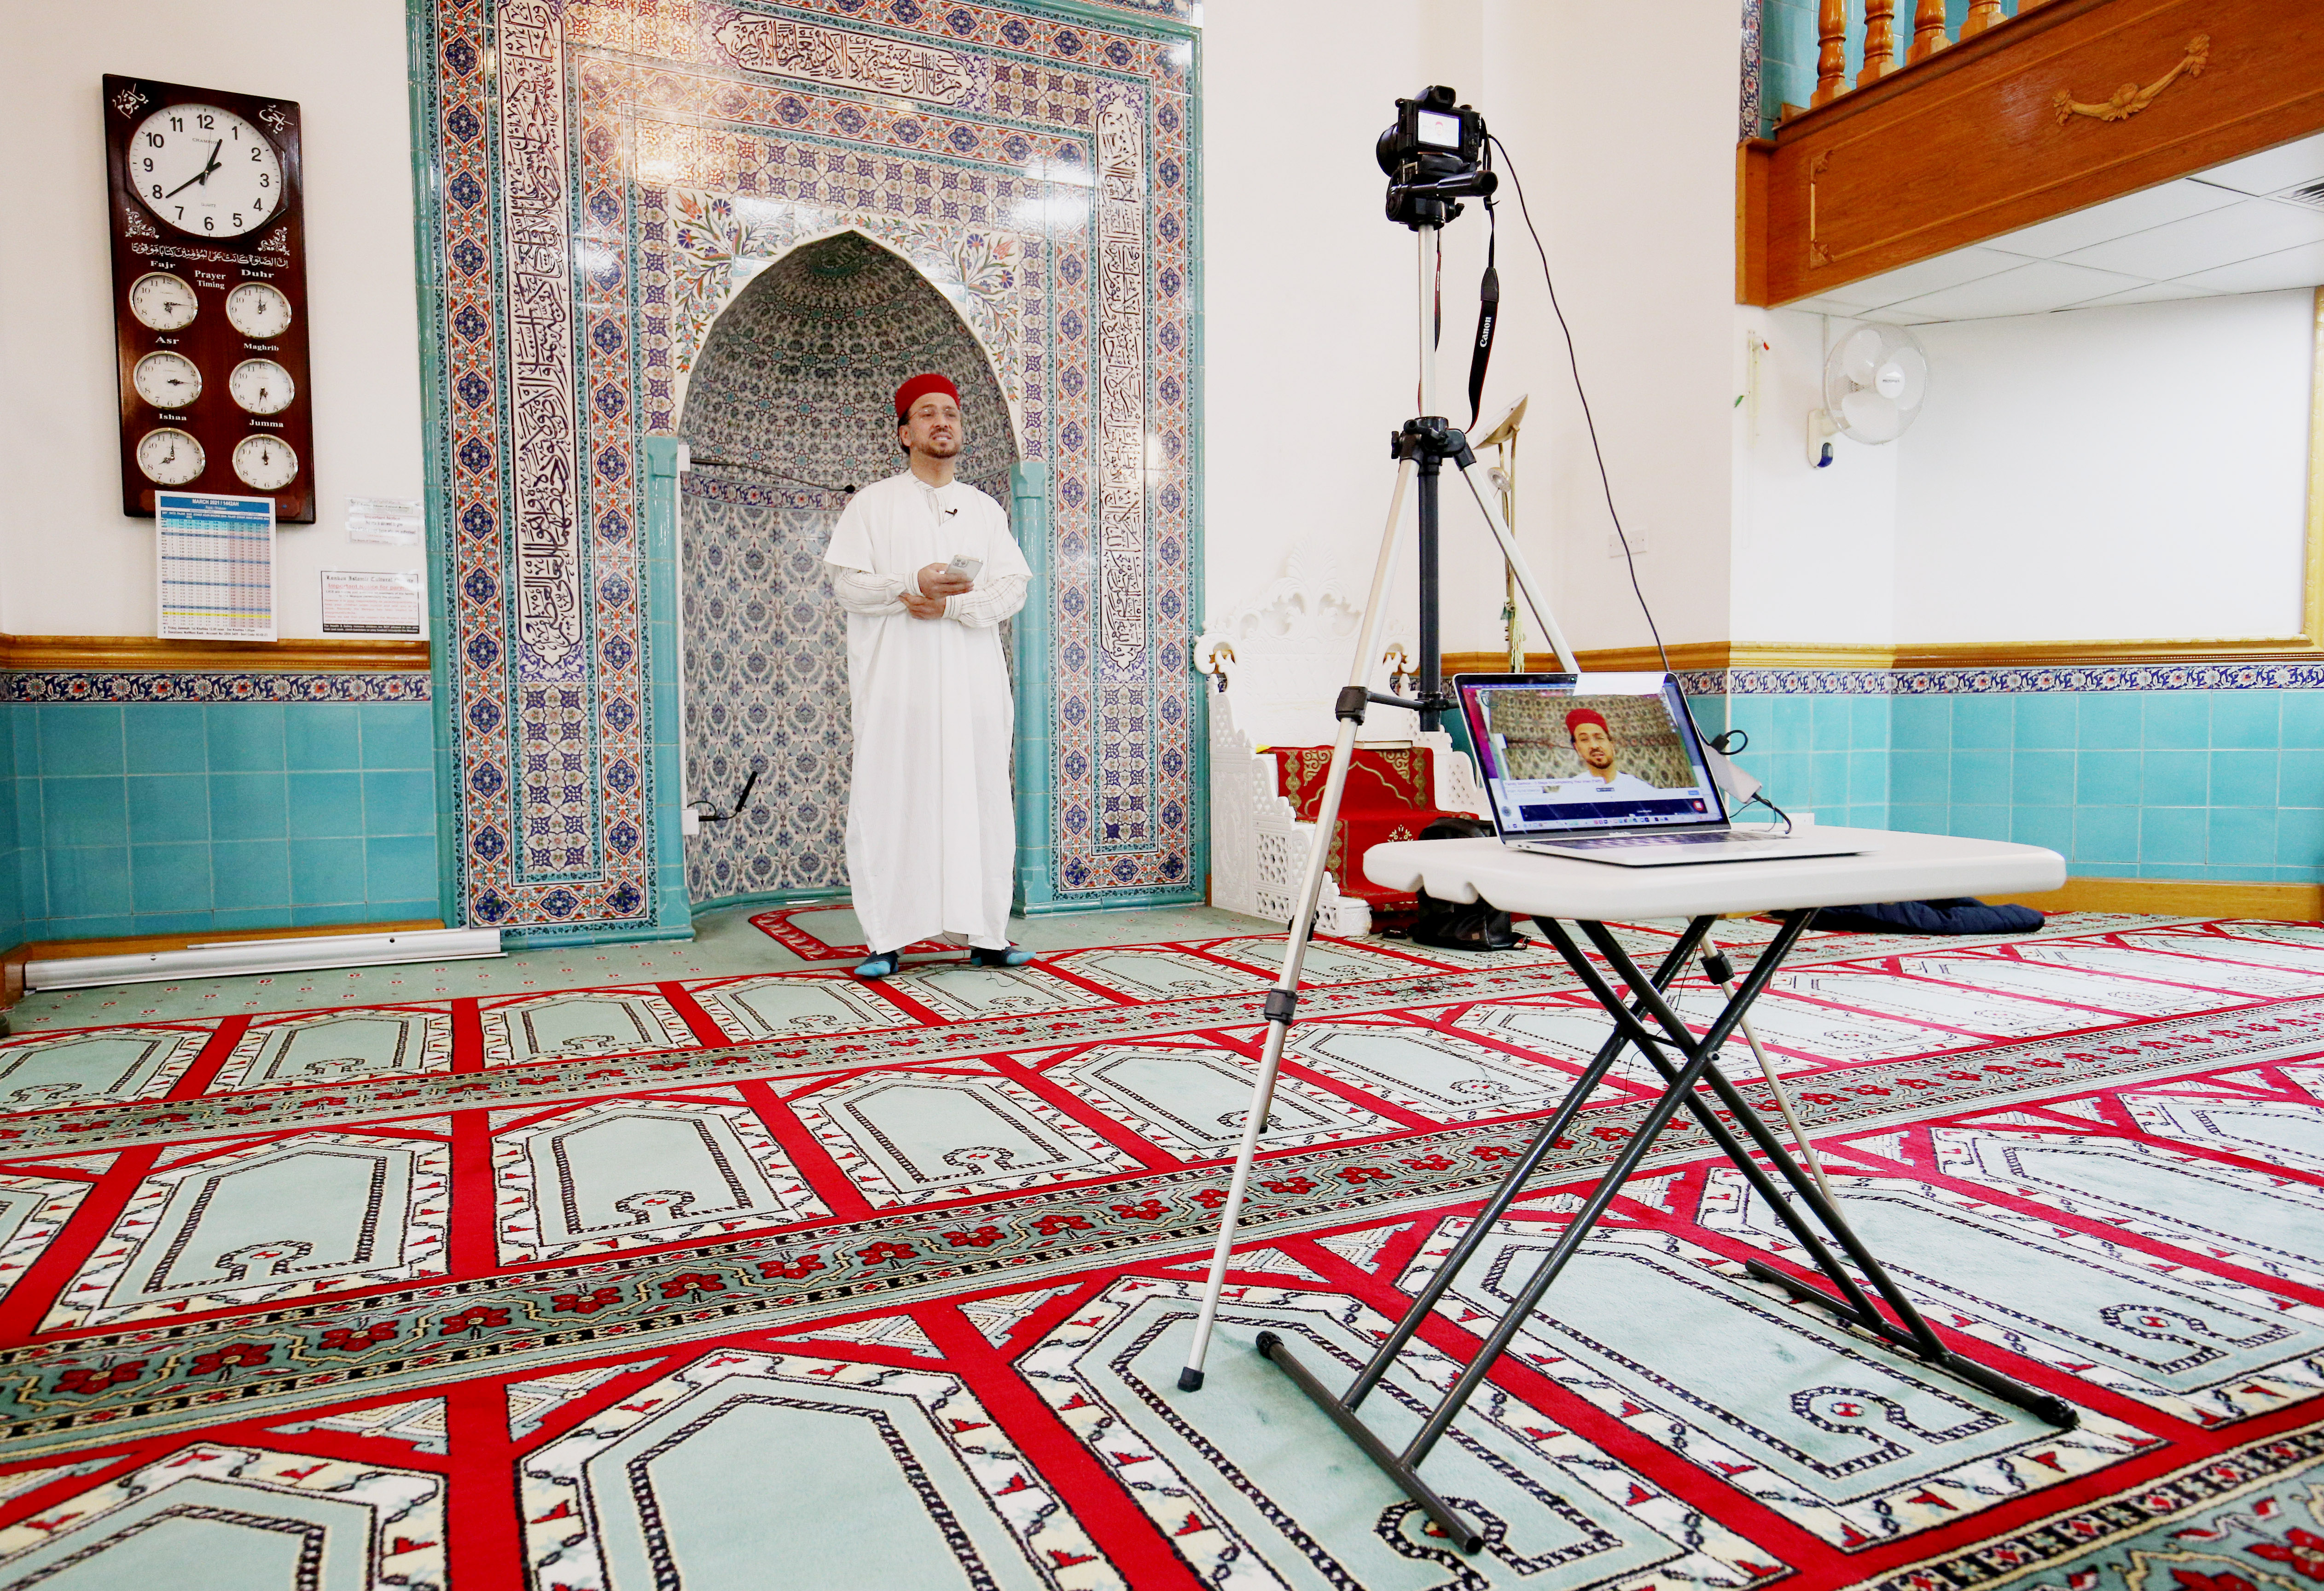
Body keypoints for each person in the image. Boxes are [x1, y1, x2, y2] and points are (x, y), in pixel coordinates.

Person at [823, 373, 1035, 979]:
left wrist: (951, 606)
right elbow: (848, 585)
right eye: (927, 414)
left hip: (973, 687)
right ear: (905, 431)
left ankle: (988, 935)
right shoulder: (873, 504)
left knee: (982, 799)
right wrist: (909, 584)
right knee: (893, 799)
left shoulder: (985, 510)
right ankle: (886, 938)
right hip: (899, 689)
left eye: (951, 413)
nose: (942, 422)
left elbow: (1012, 588)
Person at [1563, 708, 1663, 796]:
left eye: (1599, 738)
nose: (1594, 746)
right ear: (1577, 749)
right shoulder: (1570, 792)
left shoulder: (1640, 790)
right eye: (1584, 740)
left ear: (1612, 744)